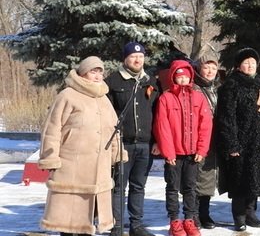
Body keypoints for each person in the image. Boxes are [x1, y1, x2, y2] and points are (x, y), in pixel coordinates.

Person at [39, 56, 125, 236]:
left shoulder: (103, 98)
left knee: (88, 219)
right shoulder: (67, 96)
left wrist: (118, 155)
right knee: (69, 220)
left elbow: (113, 130)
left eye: (100, 72)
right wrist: (50, 158)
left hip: (98, 168)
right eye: (93, 71)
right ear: (82, 73)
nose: (97, 76)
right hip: (71, 166)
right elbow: (52, 129)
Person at [214, 47, 260, 231]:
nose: (250, 65)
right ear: (238, 65)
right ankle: (239, 217)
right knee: (240, 181)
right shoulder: (231, 85)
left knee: (255, 180)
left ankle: (251, 213)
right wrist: (231, 143)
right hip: (241, 141)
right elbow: (227, 118)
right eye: (246, 62)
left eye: (253, 62)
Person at [153, 59, 213, 236]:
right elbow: (161, 127)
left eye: (186, 76)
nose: (183, 80)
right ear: (173, 78)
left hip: (192, 153)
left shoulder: (198, 97)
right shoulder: (166, 98)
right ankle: (174, 221)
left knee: (190, 187)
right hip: (174, 154)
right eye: (179, 77)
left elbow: (206, 125)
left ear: (191, 77)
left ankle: (190, 219)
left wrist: (202, 150)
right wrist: (168, 152)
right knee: (172, 187)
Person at [106, 41, 159, 236]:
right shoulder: (112, 81)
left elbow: (158, 114)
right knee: (119, 187)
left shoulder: (151, 81)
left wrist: (157, 141)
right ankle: (117, 226)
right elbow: (106, 114)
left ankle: (136, 225)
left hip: (145, 145)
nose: (137, 60)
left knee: (139, 186)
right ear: (125, 59)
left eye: (141, 57)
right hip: (122, 144)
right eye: (133, 57)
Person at [192, 52, 221, 229]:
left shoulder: (216, 87)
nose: (210, 71)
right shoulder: (194, 88)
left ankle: (205, 213)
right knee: (197, 178)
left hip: (213, 138)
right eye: (206, 67)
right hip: (198, 138)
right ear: (199, 68)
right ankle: (194, 214)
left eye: (213, 67)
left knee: (208, 177)